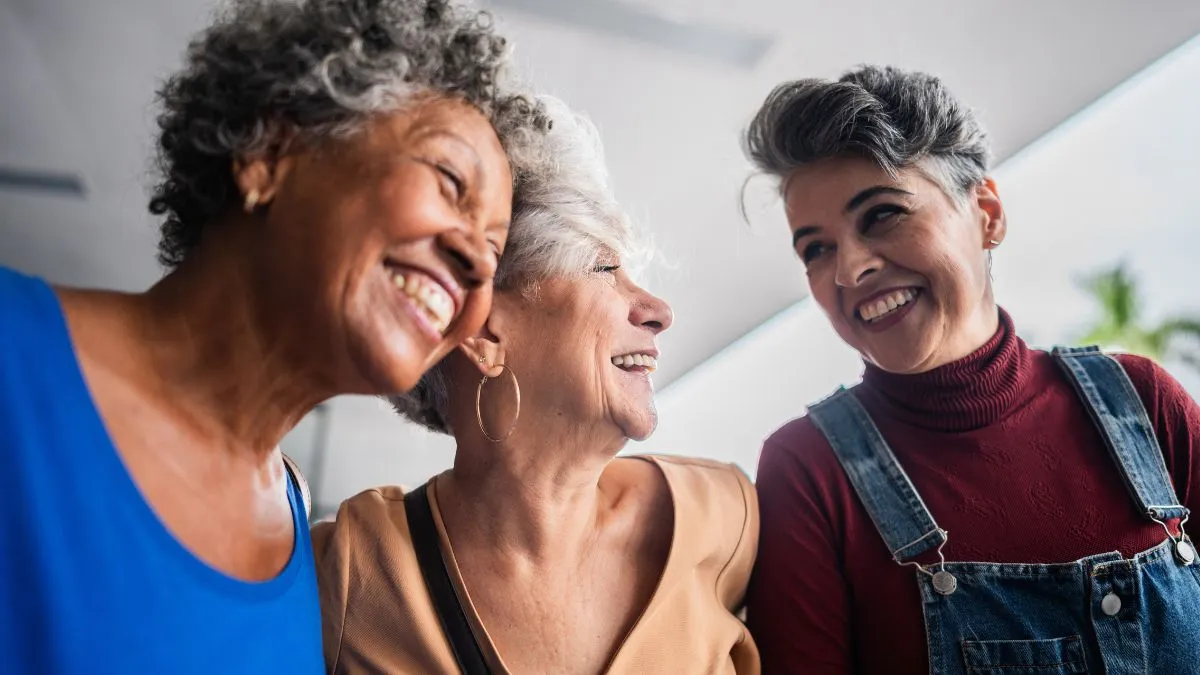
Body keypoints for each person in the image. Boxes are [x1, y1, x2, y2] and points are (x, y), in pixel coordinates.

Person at [0, 0, 547, 672]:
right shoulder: (14, 357)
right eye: (448, 180)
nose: (477, 263)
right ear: (272, 153)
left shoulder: (297, 526)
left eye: (493, 249)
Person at [740, 65, 1200, 675]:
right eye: (816, 249)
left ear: (986, 212)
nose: (849, 271)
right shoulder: (808, 473)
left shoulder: (1140, 402)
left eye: (881, 215)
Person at [312, 97, 760, 675]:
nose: (657, 310)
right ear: (483, 331)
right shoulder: (352, 570)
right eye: (604, 269)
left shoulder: (728, 516)